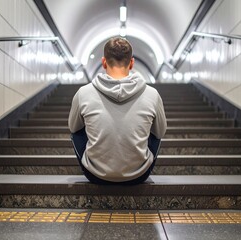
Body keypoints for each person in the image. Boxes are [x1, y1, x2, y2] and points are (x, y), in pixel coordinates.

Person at [68, 37, 167, 184]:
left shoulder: (83, 93)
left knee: (77, 129)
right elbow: (160, 133)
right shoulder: (152, 94)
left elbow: (73, 127)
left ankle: (96, 162)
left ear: (103, 62)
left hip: (95, 175)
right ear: (132, 63)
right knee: (156, 129)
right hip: (139, 175)